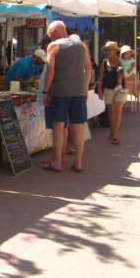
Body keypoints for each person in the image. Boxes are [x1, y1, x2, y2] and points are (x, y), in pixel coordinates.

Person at [42, 21, 92, 173]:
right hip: (78, 91)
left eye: (50, 33)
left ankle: (57, 162)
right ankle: (78, 163)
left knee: (58, 126)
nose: (49, 36)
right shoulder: (81, 45)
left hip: (59, 91)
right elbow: (88, 67)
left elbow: (50, 71)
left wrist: (46, 91)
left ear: (55, 31)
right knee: (78, 127)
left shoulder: (54, 46)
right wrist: (85, 88)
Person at [96, 41, 126, 145]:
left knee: (118, 109)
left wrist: (122, 75)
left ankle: (115, 134)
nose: (108, 52)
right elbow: (101, 77)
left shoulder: (122, 62)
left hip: (121, 89)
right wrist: (99, 90)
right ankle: (113, 131)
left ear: (115, 51)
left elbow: (127, 76)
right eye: (107, 50)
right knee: (111, 111)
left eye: (110, 50)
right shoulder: (104, 62)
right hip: (108, 88)